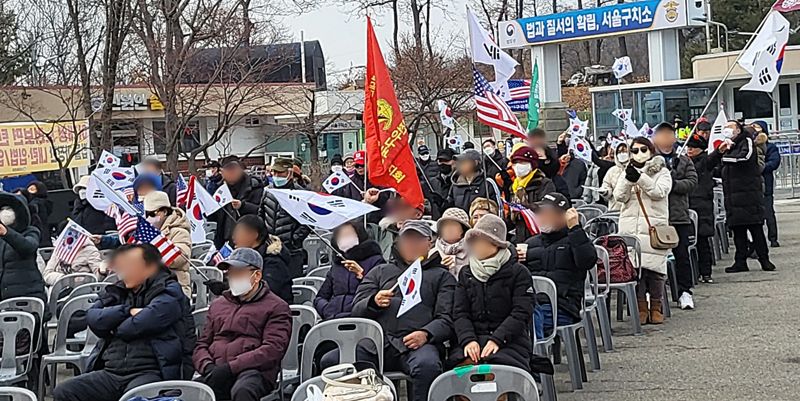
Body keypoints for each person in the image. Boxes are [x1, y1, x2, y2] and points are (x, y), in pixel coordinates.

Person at [53, 244, 196, 401]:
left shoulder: (170, 290)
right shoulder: (117, 291)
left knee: (133, 398)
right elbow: (94, 318)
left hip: (151, 372)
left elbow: (140, 324)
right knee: (65, 392)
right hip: (111, 371)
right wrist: (127, 311)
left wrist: (113, 326)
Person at [349, 220, 456, 401]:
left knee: (428, 365)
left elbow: (447, 317)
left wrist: (426, 333)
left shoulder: (442, 276)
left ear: (429, 243)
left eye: (417, 240)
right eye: (407, 240)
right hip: (378, 344)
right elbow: (356, 310)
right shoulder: (380, 271)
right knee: (340, 359)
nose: (411, 245)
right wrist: (373, 302)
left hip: (418, 345)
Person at [193, 248, 292, 401]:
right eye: (231, 274)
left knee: (243, 390)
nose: (233, 278)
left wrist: (231, 368)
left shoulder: (277, 307)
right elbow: (202, 344)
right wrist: (207, 366)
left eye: (239, 273)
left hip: (254, 371)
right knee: (187, 392)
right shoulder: (218, 305)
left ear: (257, 275)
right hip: (216, 368)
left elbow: (272, 350)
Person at [451, 214, 534, 370]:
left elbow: (521, 312)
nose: (475, 245)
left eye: (480, 240)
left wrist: (497, 339)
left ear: (495, 243)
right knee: (461, 374)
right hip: (473, 340)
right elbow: (460, 313)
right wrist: (468, 340)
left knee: (496, 372)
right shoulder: (466, 273)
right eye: (473, 240)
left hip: (510, 341)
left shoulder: (518, 273)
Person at [612, 137, 672, 324]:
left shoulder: (662, 171)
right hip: (631, 227)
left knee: (655, 271)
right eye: (635, 150)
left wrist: (640, 178)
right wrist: (629, 179)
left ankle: (656, 306)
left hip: (652, 227)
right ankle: (640, 308)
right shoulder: (625, 171)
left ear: (651, 150)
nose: (639, 153)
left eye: (643, 149)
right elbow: (619, 196)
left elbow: (659, 192)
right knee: (636, 270)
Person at [520, 193, 596, 337]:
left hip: (562, 306)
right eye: (540, 212)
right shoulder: (531, 243)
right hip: (532, 303)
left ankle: (537, 357)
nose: (542, 217)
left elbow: (587, 260)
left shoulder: (575, 239)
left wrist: (575, 228)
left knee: (529, 319)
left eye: (548, 213)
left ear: (563, 216)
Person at [711, 121, 776, 273]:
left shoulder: (746, 141)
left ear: (738, 129)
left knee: (755, 229)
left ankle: (764, 259)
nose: (726, 129)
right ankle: (740, 261)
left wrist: (724, 158)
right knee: (738, 231)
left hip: (748, 194)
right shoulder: (728, 145)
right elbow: (722, 169)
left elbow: (744, 158)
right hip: (733, 196)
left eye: (730, 127)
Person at [652, 122, 698, 310]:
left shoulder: (684, 159)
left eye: (668, 133)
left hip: (678, 215)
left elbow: (692, 182)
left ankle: (684, 291)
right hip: (656, 216)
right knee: (655, 258)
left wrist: (673, 183)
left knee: (681, 256)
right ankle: (654, 296)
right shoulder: (650, 158)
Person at [314, 221, 385, 320]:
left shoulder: (375, 260)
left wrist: (362, 275)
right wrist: (327, 310)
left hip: (361, 320)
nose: (345, 238)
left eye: (348, 234)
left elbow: (377, 295)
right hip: (333, 319)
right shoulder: (337, 265)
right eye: (341, 235)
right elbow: (320, 297)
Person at [261, 157, 310, 278]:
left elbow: (307, 222)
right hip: (270, 249)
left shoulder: (300, 194)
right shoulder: (267, 192)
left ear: (289, 173)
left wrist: (293, 240)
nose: (276, 176)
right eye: (274, 172)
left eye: (280, 173)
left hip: (291, 251)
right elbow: (261, 215)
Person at [231, 215, 293, 304]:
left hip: (271, 310)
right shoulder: (243, 258)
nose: (234, 237)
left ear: (253, 235)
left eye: (238, 233)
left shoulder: (274, 262)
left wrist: (228, 289)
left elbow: (265, 291)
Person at [0, 192, 46, 305]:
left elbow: (28, 247)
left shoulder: (31, 231)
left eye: (9, 209)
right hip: (4, 296)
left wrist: (6, 233)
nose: (5, 212)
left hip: (27, 295)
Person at [143, 191, 192, 297]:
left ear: (164, 211)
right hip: (152, 288)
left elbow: (180, 258)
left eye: (153, 213)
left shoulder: (179, 231)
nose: (149, 218)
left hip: (176, 288)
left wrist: (151, 256)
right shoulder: (147, 232)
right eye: (147, 214)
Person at [209, 155, 264, 248]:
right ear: (222, 172)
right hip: (224, 241)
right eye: (228, 170)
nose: (232, 173)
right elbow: (214, 216)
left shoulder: (255, 186)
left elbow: (261, 211)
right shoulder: (219, 189)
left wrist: (242, 206)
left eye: (234, 169)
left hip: (249, 241)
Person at [685, 133, 717, 284]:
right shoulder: (683, 162)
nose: (689, 150)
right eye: (688, 147)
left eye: (693, 148)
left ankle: (706, 272)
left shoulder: (705, 161)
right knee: (689, 242)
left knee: (702, 241)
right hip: (688, 203)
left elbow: (714, 158)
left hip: (702, 204)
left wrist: (720, 150)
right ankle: (694, 271)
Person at [509, 146, 556, 242]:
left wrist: (526, 207)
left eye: (522, 162)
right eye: (516, 163)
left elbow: (548, 208)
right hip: (520, 234)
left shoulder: (544, 183)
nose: (518, 166)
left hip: (539, 235)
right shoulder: (514, 187)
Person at [753, 120, 781, 247]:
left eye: (757, 127)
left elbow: (774, 162)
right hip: (753, 185)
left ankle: (773, 238)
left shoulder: (771, 147)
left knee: (769, 212)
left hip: (766, 184)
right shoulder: (750, 146)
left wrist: (761, 168)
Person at [435, 208, 470, 277]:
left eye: (453, 225)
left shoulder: (473, 252)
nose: (448, 228)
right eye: (445, 225)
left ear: (463, 230)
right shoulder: (432, 253)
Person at [600, 141, 630, 211]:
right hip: (615, 209)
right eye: (619, 152)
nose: (622, 154)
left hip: (631, 210)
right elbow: (606, 184)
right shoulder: (612, 170)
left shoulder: (635, 170)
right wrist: (605, 191)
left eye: (625, 152)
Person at [416, 145, 444, 219]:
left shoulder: (435, 164)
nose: (425, 155)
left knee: (435, 205)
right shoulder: (416, 165)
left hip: (433, 189)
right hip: (420, 191)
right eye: (422, 154)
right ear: (419, 154)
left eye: (426, 153)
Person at [24, 180, 53, 247]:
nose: (29, 191)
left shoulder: (35, 203)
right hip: (44, 236)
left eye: (32, 189)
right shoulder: (46, 203)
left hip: (38, 236)